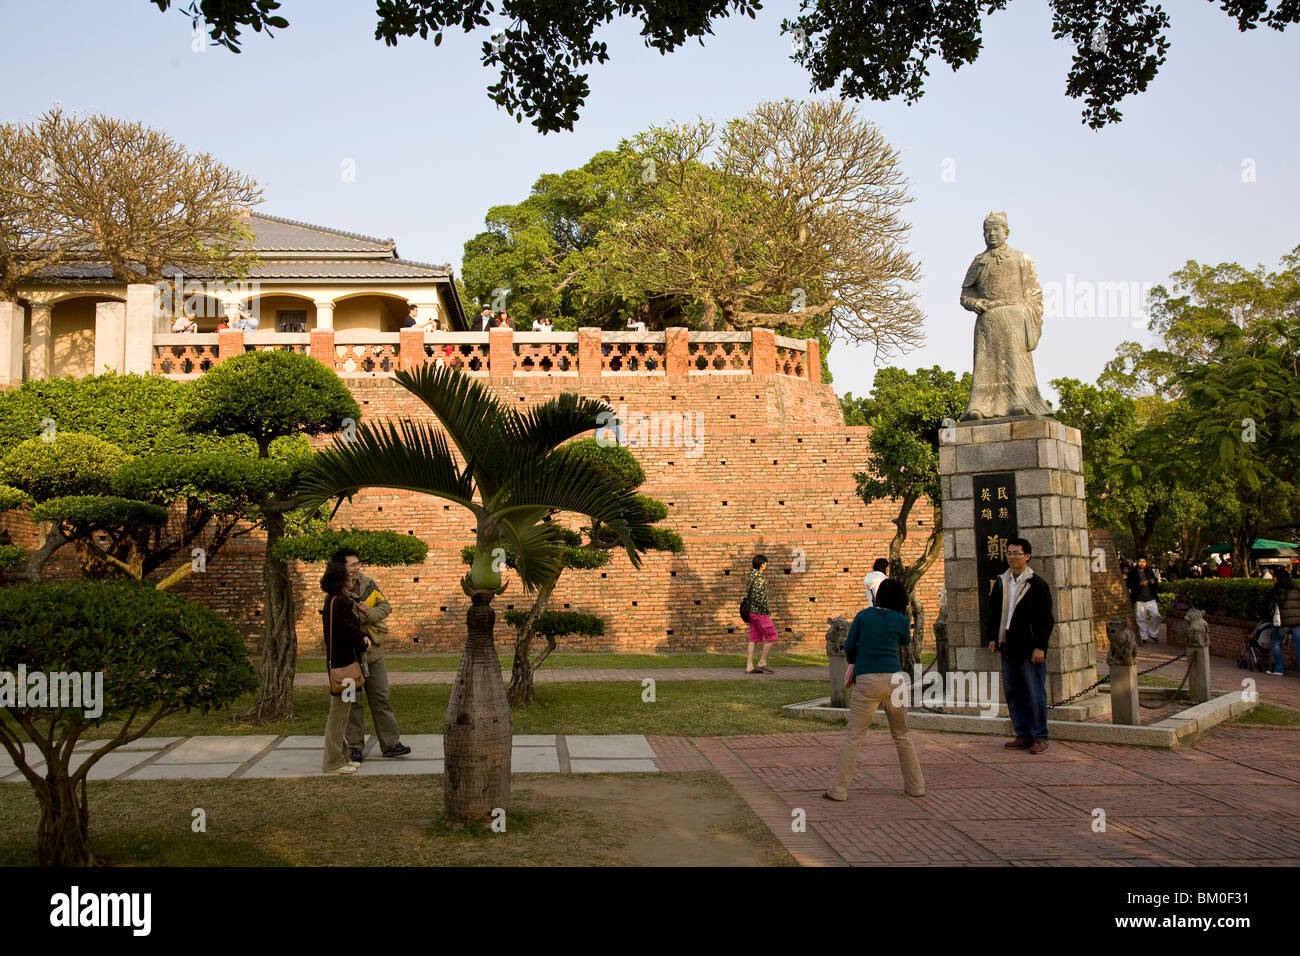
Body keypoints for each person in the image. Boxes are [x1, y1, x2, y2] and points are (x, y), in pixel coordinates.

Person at [826, 577, 925, 800]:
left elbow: (850, 646)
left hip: (867, 679)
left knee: (854, 736)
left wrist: (856, 659)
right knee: (902, 735)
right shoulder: (900, 619)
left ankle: (839, 789)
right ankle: (916, 786)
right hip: (895, 679)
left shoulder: (863, 616)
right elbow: (905, 642)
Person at [958, 211, 1053, 420]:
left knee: (1015, 362)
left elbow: (1034, 293)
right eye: (987, 231)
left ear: (1006, 232)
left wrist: (1025, 315)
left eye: (996, 230)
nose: (991, 234)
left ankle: (1021, 402)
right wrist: (974, 303)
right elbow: (965, 293)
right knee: (984, 365)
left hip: (1015, 318)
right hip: (987, 320)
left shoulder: (1021, 258)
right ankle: (980, 406)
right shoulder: (979, 261)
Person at [334, 548, 411, 763]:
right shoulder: (336, 593)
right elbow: (344, 622)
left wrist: (369, 613)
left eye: (358, 563)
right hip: (350, 655)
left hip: (374, 654)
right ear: (341, 568)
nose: (358, 568)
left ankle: (391, 744)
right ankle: (354, 747)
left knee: (381, 698)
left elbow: (385, 606)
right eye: (353, 565)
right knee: (353, 701)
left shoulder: (369, 584)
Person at [986, 536, 1054, 754]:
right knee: (1014, 691)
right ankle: (1023, 733)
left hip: (1029, 648)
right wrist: (993, 637)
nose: (1012, 557)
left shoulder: (1037, 584)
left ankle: (1040, 736)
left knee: (1034, 692)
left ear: (1027, 556)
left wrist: (1040, 646)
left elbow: (1045, 619)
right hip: (1008, 646)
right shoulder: (1002, 582)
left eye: (1017, 553)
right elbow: (994, 612)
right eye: (1009, 552)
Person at [321, 556, 369, 774]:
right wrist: (363, 642)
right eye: (350, 573)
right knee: (339, 716)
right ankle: (333, 762)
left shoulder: (334, 599)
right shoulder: (339, 601)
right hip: (345, 667)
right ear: (341, 576)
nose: (354, 577)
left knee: (343, 713)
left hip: (343, 665)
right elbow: (349, 631)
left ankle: (341, 756)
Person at [744, 554, 777, 674]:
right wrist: (767, 611)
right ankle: (762, 662)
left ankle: (749, 666)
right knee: (771, 636)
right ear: (762, 565)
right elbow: (760, 598)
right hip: (760, 612)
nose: (766, 565)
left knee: (753, 638)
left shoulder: (750, 576)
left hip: (751, 612)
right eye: (765, 563)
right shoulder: (760, 578)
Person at [1267, 567, 1300, 675]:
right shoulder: (1295, 590)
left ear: (1277, 578)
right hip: (1297, 622)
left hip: (1282, 622)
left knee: (1276, 643)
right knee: (1298, 645)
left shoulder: (1276, 591)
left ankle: (1279, 669)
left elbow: (1269, 606)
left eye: (1274, 577)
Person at [1126, 554, 1161, 644]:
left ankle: (1153, 633)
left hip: (1150, 597)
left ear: (1146, 562)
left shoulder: (1149, 571)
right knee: (1140, 619)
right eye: (1140, 562)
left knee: (1156, 615)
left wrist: (1153, 582)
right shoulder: (1132, 572)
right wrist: (1139, 584)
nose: (1142, 564)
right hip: (1139, 598)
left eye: (1143, 562)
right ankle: (1143, 636)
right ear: (1137, 562)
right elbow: (1129, 584)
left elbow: (1155, 580)